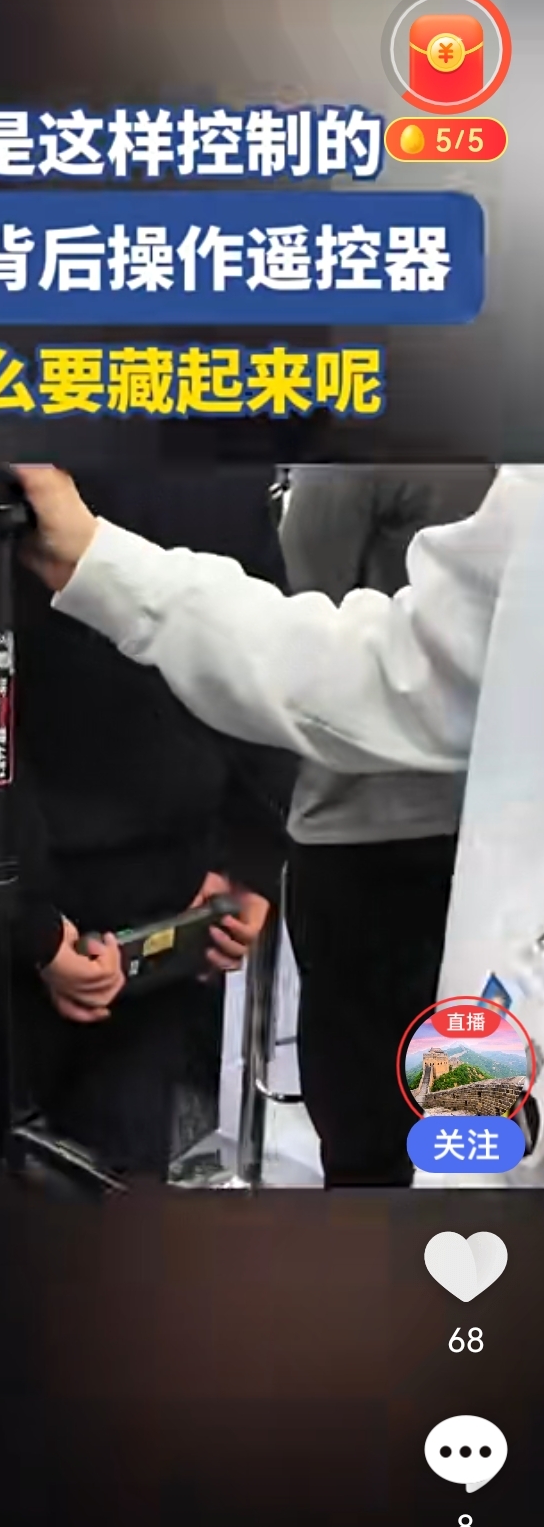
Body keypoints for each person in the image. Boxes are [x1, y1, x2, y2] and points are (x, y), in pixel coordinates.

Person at [0, 462, 544, 1188]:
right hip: (450, 910)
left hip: (410, 850)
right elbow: (409, 666)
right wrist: (102, 565)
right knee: (410, 1139)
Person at [0, 466, 294, 1185]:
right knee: (112, 1197)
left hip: (5, 924)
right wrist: (250, 856)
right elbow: (263, 629)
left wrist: (23, 917)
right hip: (167, 902)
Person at [278, 468, 495, 1187]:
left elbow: (300, 620)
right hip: (375, 833)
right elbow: (308, 620)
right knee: (384, 1122)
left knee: (455, 1114)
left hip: (459, 834)